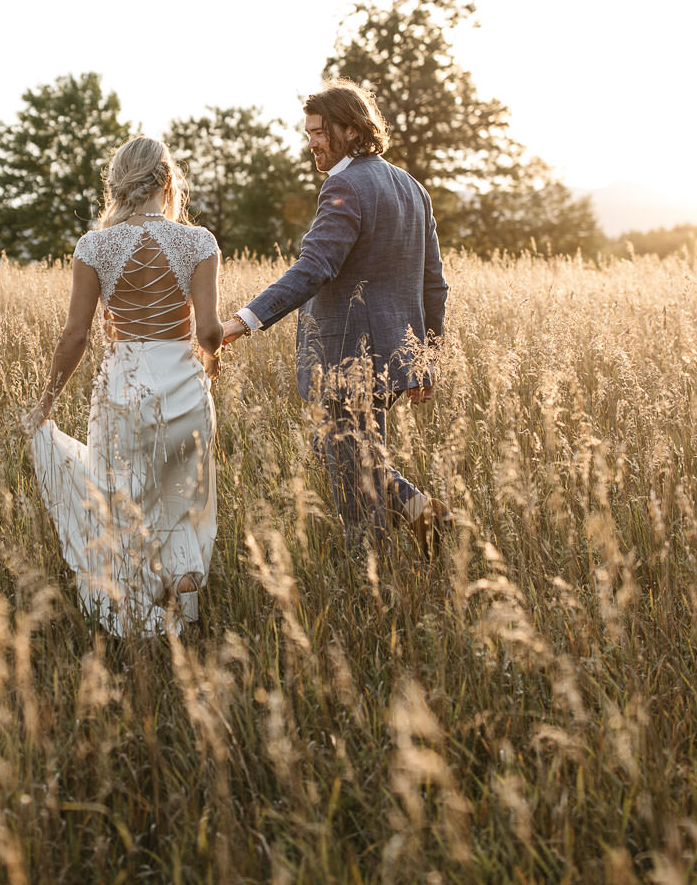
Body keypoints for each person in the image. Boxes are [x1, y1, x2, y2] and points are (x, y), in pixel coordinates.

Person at [221, 80, 448, 545]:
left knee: (352, 482)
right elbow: (435, 284)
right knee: (353, 453)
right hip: (393, 356)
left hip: (349, 356)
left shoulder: (344, 184)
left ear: (351, 128)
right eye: (308, 133)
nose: (312, 144)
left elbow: (315, 267)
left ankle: (370, 572)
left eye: (320, 132)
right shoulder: (412, 187)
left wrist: (242, 322)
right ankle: (417, 512)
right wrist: (425, 357)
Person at [23, 136, 221, 636]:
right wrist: (214, 355)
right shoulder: (198, 242)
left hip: (125, 390)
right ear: (168, 180)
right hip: (186, 391)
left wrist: (44, 403)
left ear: (117, 184)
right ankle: (188, 601)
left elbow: (76, 335)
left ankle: (144, 615)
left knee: (125, 503)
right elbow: (209, 332)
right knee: (180, 499)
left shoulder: (95, 247)